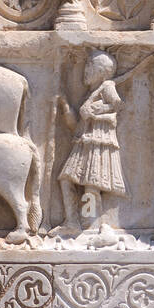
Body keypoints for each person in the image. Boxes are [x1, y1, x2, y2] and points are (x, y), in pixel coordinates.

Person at [53, 49, 126, 239]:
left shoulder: (107, 86)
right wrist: (65, 106)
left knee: (91, 184)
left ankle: (89, 223)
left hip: (98, 142)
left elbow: (117, 105)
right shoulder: (91, 93)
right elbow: (76, 126)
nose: (85, 70)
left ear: (101, 72)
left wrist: (96, 110)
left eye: (89, 66)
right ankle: (72, 222)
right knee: (67, 178)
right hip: (84, 141)